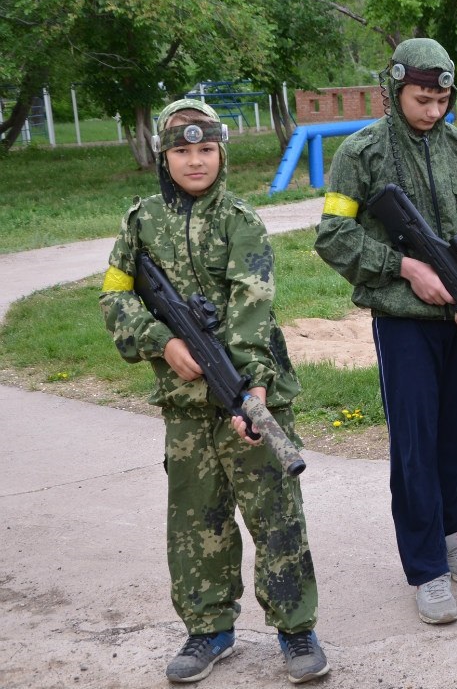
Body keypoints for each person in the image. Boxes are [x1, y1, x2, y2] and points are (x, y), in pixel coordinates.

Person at [100, 99, 329, 684]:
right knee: (196, 521)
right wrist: (161, 341)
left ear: (221, 153)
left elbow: (254, 307)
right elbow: (114, 295)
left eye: (206, 149)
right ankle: (208, 630)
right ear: (164, 156)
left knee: (276, 515)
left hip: (250, 390)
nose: (195, 161)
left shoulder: (241, 220)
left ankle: (296, 629)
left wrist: (253, 389)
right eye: (182, 151)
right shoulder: (139, 221)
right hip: (184, 405)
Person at [314, 38, 457, 625]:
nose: (433, 110)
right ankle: (426, 568)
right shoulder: (361, 152)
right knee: (415, 443)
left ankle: (451, 535)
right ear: (395, 89)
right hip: (402, 321)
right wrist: (404, 268)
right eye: (422, 99)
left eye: (442, 100)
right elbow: (332, 236)